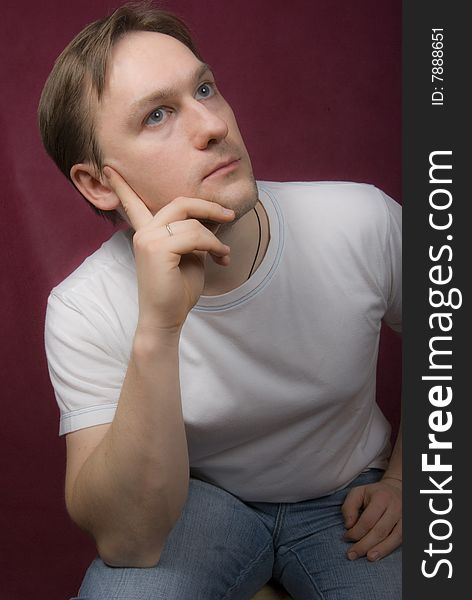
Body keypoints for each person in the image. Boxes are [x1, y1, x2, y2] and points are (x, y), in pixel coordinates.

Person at [38, 2, 402, 599]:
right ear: (100, 183)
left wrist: (412, 479)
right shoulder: (83, 305)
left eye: (204, 88)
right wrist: (158, 327)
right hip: (200, 504)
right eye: (157, 114)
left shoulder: (360, 219)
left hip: (352, 496)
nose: (211, 124)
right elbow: (128, 540)